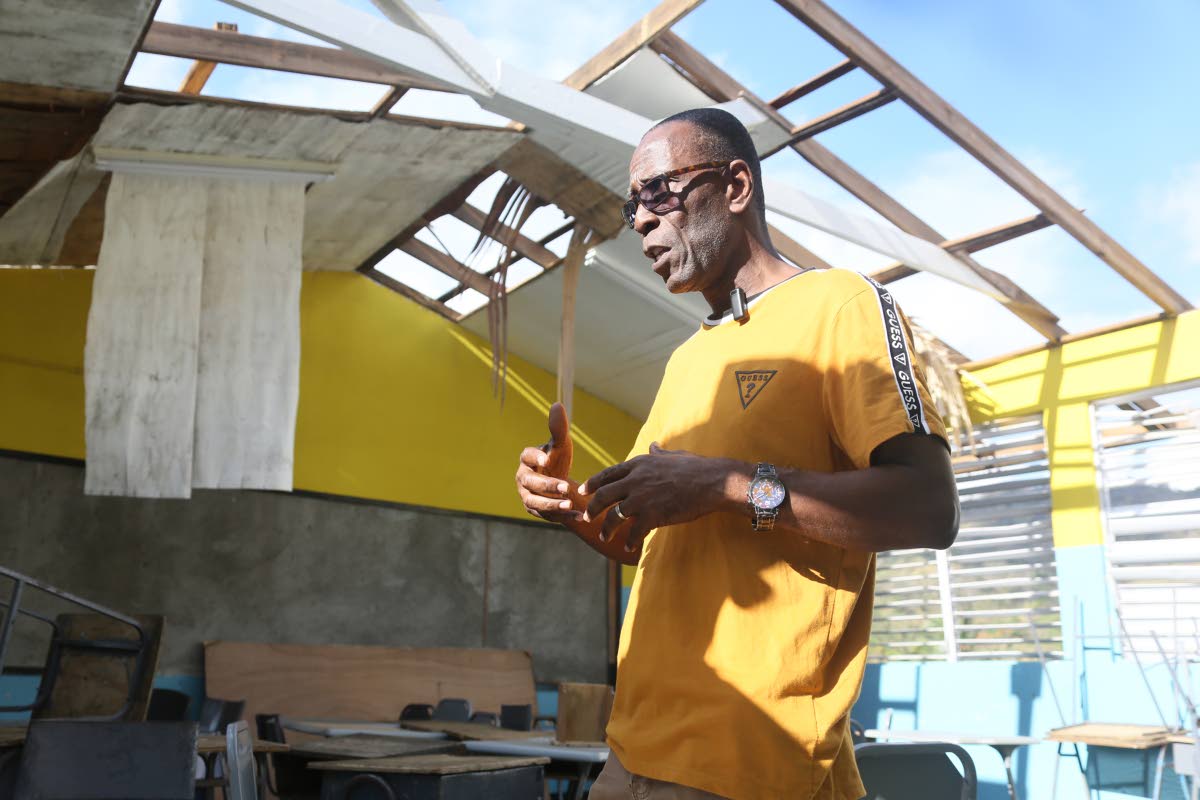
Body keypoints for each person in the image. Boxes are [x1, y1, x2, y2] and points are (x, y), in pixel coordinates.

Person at [514, 107, 959, 800]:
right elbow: (644, 539)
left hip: (750, 758)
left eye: (659, 191)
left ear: (737, 186)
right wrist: (573, 506)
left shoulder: (837, 304)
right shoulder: (690, 358)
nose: (639, 219)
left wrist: (727, 485)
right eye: (632, 203)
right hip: (633, 749)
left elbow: (928, 508)